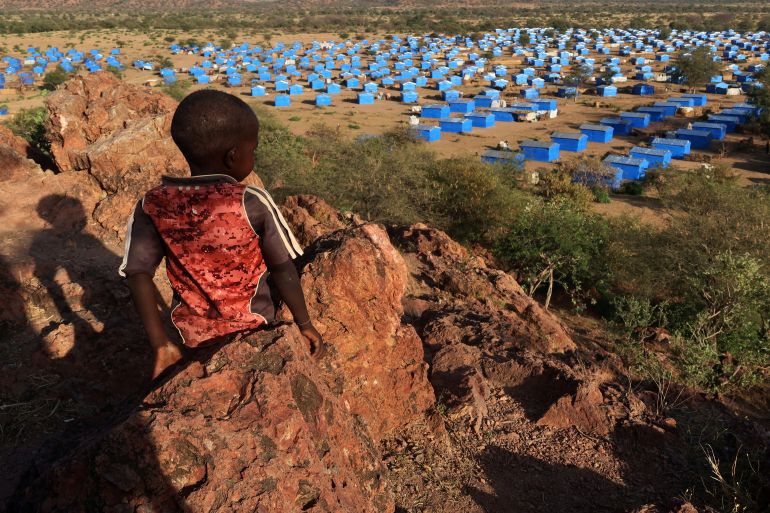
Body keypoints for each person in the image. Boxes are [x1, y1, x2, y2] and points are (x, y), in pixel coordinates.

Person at [119, 89, 325, 379]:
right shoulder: (250, 201)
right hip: (254, 333)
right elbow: (283, 269)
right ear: (232, 156)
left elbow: (137, 272)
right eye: (252, 149)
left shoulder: (154, 203)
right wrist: (304, 324)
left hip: (190, 339)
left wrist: (161, 344)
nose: (252, 155)